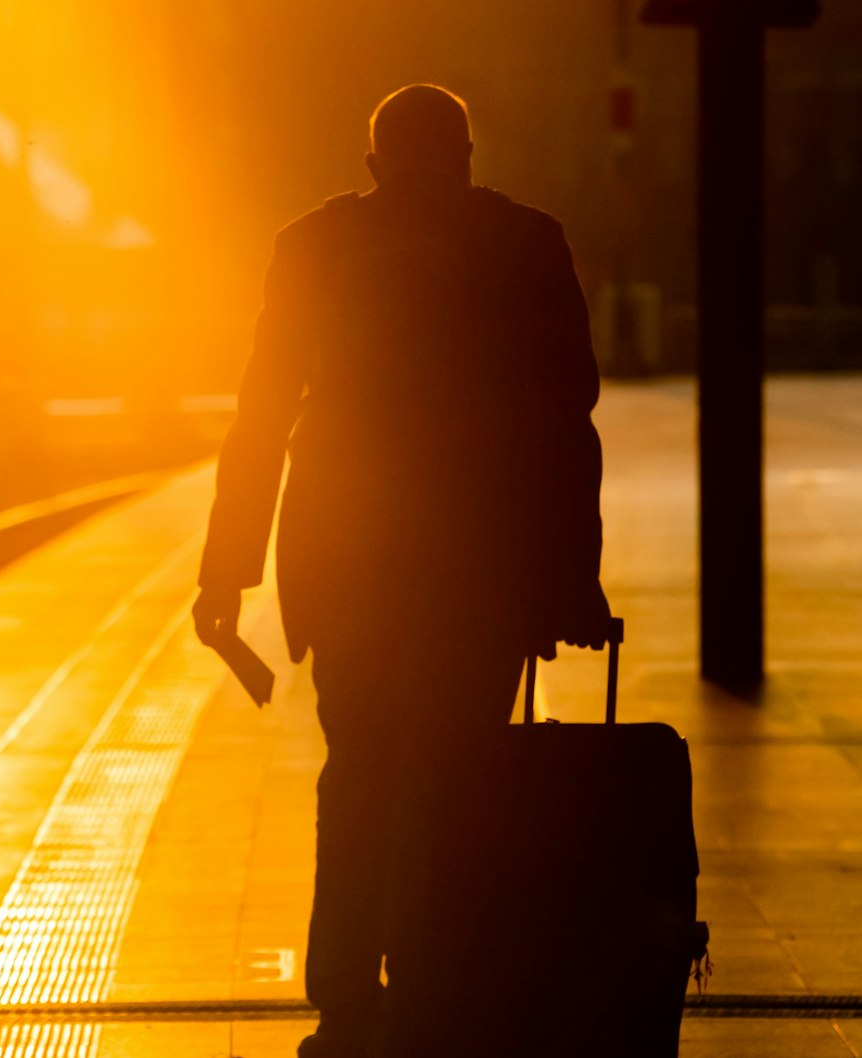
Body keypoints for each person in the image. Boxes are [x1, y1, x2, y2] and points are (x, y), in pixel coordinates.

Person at [191, 84, 610, 1057]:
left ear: (372, 163)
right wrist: (570, 575)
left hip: (343, 552)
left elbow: (258, 414)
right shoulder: (525, 241)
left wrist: (227, 571)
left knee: (361, 763)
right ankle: (441, 970)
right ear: (468, 156)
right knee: (460, 768)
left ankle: (344, 985)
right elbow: (564, 423)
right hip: (482, 556)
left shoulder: (312, 243)